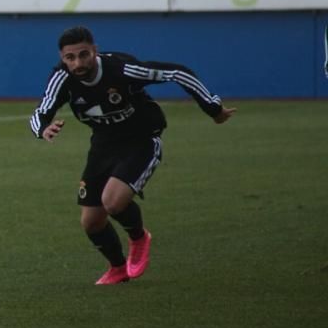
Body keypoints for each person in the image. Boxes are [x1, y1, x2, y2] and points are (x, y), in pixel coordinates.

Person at [29, 26, 235, 285]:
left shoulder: (122, 69)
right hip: (104, 145)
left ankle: (138, 237)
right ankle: (117, 268)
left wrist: (213, 108)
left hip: (141, 139)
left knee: (112, 202)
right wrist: (43, 129)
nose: (78, 63)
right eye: (70, 58)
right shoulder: (62, 78)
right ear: (63, 58)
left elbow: (177, 72)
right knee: (91, 222)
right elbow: (41, 111)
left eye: (84, 55)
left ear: (95, 51)